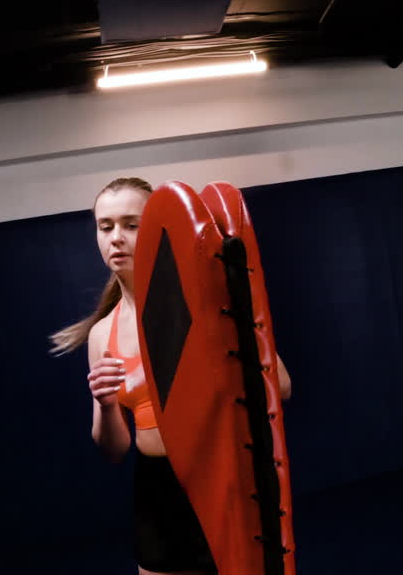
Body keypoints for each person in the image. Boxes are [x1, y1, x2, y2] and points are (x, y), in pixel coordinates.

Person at [51, 177, 292, 575]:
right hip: (157, 489)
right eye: (105, 225)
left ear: (159, 231)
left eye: (132, 224)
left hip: (222, 481)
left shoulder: (208, 305)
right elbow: (114, 450)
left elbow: (279, 388)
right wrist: (105, 403)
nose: (117, 238)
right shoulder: (101, 335)